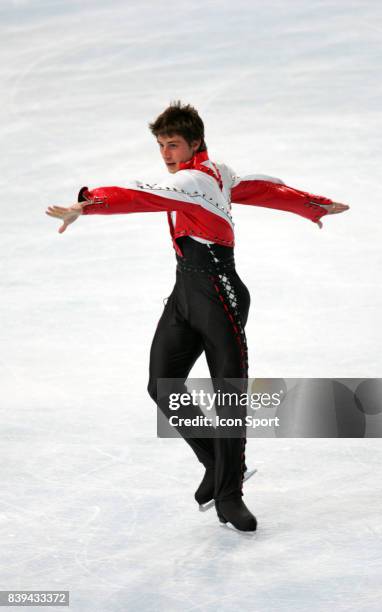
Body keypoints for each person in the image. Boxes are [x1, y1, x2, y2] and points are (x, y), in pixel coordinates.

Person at [46, 101, 349, 532]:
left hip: (219, 293)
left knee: (228, 395)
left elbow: (139, 195)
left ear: (195, 143)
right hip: (186, 293)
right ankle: (217, 462)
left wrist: (89, 205)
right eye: (161, 145)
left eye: (173, 144)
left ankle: (229, 495)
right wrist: (310, 204)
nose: (166, 154)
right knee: (162, 384)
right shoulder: (214, 175)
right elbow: (260, 188)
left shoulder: (193, 180)